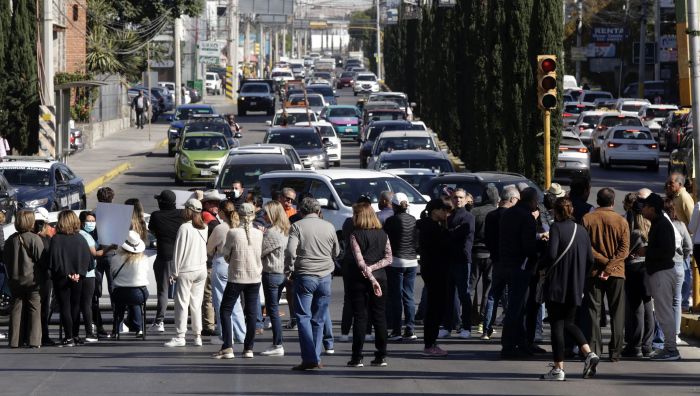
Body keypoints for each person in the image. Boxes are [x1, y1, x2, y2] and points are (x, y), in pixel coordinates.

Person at [539, 197, 600, 381]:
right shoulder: (582, 231)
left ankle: (558, 369)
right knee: (569, 323)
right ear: (571, 210)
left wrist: (541, 266)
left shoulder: (556, 228)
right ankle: (589, 353)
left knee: (557, 326)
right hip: (575, 286)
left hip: (557, 285)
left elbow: (551, 254)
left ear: (556, 212)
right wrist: (581, 276)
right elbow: (590, 260)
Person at [285, 197, 340, 371]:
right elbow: (337, 251)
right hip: (325, 276)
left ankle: (309, 358)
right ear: (317, 211)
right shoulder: (329, 226)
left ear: (301, 211)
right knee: (319, 318)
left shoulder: (297, 226)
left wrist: (289, 268)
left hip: (305, 274)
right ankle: (315, 356)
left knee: (303, 317)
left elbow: (290, 251)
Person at [582, 188, 629, 362]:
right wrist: (610, 266)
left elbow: (587, 247)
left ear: (598, 200)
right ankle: (615, 351)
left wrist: (603, 263)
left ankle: (594, 350)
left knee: (594, 312)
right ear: (612, 201)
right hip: (616, 273)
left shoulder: (587, 219)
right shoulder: (621, 221)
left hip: (594, 272)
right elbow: (624, 250)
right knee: (617, 312)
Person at [213, 203, 264, 359]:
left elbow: (226, 254)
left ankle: (228, 346)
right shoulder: (259, 233)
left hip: (237, 276)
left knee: (225, 310)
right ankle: (248, 348)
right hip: (254, 276)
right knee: (251, 312)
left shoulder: (233, 233)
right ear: (253, 215)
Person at [345, 202, 391, 367]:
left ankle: (357, 357)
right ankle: (381, 355)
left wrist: (368, 273)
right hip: (381, 278)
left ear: (359, 216)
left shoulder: (355, 235)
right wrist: (373, 272)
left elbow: (360, 262)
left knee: (360, 317)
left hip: (359, 279)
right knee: (379, 316)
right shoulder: (383, 234)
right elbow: (389, 258)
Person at [639, 193, 681, 360]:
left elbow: (667, 251)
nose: (642, 209)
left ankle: (671, 350)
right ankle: (669, 348)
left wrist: (646, 251)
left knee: (664, 313)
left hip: (662, 273)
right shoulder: (658, 223)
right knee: (663, 313)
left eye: (645, 206)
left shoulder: (663, 224)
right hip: (659, 273)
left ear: (653, 209)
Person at [499, 187, 538, 358]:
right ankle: (509, 345)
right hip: (521, 266)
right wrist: (539, 249)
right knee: (516, 307)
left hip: (506, 263)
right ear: (532, 201)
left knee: (516, 306)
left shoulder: (508, 214)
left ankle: (520, 342)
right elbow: (528, 246)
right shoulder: (526, 217)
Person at [165, 198, 208, 348]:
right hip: (201, 269)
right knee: (196, 304)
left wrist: (174, 272)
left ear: (188, 210)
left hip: (186, 270)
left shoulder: (185, 227)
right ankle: (197, 336)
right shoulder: (204, 227)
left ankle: (180, 336)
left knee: (182, 304)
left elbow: (178, 252)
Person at [48, 211, 92, 347]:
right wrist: (79, 273)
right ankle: (76, 334)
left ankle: (68, 336)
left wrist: (66, 273)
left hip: (61, 277)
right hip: (78, 277)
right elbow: (89, 260)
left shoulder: (57, 239)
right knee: (75, 305)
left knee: (65, 306)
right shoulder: (80, 238)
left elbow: (54, 260)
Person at [482, 187, 520, 340]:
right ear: (512, 199)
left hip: (496, 260)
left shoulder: (491, 215)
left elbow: (488, 238)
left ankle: (486, 328)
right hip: (510, 261)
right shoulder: (513, 216)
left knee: (493, 295)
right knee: (511, 295)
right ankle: (511, 328)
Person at [207, 201, 246, 346]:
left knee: (221, 302)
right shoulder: (240, 226)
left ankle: (225, 335)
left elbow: (209, 248)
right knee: (235, 302)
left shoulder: (220, 228)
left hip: (222, 263)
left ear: (222, 212)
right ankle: (241, 334)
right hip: (237, 264)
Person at [4, 210, 44, 348]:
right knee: (34, 309)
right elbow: (41, 259)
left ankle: (15, 340)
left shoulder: (11, 239)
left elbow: (5, 259)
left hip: (14, 280)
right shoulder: (34, 238)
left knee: (16, 309)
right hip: (32, 281)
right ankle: (34, 340)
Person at [417, 199, 451, 356]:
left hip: (432, 270)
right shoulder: (431, 227)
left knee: (435, 307)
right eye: (443, 210)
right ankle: (430, 344)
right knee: (435, 308)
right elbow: (443, 245)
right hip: (435, 271)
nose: (446, 213)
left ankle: (431, 342)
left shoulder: (430, 226)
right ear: (434, 211)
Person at [622, 194, 654, 358]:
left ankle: (635, 345)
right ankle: (647, 344)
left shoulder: (634, 232)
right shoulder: (651, 227)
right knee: (648, 306)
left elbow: (625, 252)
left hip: (634, 270)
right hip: (648, 270)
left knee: (636, 308)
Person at [441, 188, 476, 339]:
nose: (458, 200)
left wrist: (450, 233)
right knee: (449, 295)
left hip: (463, 260)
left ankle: (466, 327)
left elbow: (460, 234)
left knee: (464, 294)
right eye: (455, 197)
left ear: (466, 199)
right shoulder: (450, 216)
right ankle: (447, 326)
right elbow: (446, 235)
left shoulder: (468, 217)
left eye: (461, 197)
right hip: (450, 260)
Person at [149, 190, 185, 333]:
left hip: (164, 256)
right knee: (182, 291)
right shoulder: (181, 215)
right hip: (181, 257)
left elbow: (151, 230)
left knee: (163, 291)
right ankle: (181, 321)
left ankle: (159, 321)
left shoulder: (156, 216)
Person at [384, 193, 419, 341]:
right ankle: (410, 329)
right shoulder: (413, 220)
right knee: (409, 296)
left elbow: (386, 240)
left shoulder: (391, 221)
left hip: (397, 261)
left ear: (394, 206)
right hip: (412, 261)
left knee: (396, 297)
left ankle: (397, 330)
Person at [78, 211, 116, 342]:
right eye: (89, 221)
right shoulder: (85, 236)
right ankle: (90, 331)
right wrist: (109, 248)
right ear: (82, 222)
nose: (92, 223)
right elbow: (95, 253)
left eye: (94, 221)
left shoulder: (86, 235)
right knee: (89, 303)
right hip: (88, 274)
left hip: (85, 272)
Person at [259, 201, 291, 356]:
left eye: (266, 213)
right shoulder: (286, 230)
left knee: (273, 309)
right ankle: (277, 343)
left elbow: (261, 251)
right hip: (283, 273)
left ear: (273, 214)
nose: (263, 215)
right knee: (274, 308)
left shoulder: (272, 232)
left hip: (272, 272)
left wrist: (261, 234)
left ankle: (278, 344)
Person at [469, 184, 499, 335]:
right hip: (491, 255)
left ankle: (466, 319)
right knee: (488, 290)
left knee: (470, 287)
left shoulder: (474, 212)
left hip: (475, 253)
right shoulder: (497, 212)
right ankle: (483, 321)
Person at [110, 231, 149, 337]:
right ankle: (139, 329)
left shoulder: (115, 259)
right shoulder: (144, 259)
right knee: (136, 303)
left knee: (119, 305)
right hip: (139, 292)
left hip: (120, 292)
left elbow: (112, 273)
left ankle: (116, 329)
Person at [666, 173, 695, 313]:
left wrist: (687, 240)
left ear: (680, 184)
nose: (668, 186)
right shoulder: (675, 197)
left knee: (685, 273)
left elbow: (692, 220)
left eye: (671, 183)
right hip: (674, 241)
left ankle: (683, 302)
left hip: (683, 243)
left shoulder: (684, 197)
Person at [663, 198, 691, 340]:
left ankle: (665, 334)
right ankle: (676, 333)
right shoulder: (680, 225)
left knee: (664, 301)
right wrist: (681, 257)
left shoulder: (659, 226)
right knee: (677, 300)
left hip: (664, 267)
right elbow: (688, 246)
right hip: (679, 265)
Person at [93, 187, 116, 337]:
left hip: (96, 256)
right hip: (113, 255)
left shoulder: (94, 214)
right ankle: (117, 327)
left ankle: (97, 325)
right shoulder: (118, 213)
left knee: (94, 293)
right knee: (115, 292)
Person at [200, 191, 224, 337]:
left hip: (210, 261)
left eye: (217, 203)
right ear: (206, 204)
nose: (216, 206)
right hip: (210, 261)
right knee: (209, 295)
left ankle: (210, 324)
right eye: (213, 203)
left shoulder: (209, 217)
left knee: (209, 295)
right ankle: (209, 325)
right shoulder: (210, 219)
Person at [33, 208, 56, 346]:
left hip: (41, 278)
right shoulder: (43, 240)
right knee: (43, 309)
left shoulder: (45, 239)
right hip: (43, 279)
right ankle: (43, 335)